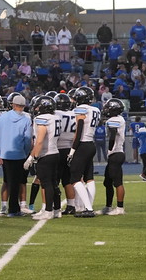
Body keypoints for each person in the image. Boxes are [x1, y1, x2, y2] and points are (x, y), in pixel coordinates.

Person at [0, 93, 33, 217]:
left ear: (13, 105)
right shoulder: (26, 120)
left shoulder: (3, 117)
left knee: (7, 181)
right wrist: (26, 152)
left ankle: (5, 207)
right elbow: (27, 139)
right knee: (17, 182)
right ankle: (13, 209)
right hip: (19, 154)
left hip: (5, 154)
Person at [24, 95, 61, 220]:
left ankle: (48, 210)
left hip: (46, 154)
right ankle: (56, 209)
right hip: (55, 152)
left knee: (46, 183)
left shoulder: (42, 118)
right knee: (53, 183)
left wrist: (32, 157)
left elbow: (39, 141)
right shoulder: (55, 117)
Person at [67, 85, 101, 217]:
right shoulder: (96, 109)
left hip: (82, 144)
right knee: (89, 178)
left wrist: (72, 151)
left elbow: (79, 129)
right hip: (91, 144)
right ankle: (89, 206)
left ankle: (88, 208)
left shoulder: (80, 109)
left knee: (75, 178)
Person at [99, 99, 127, 215]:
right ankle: (108, 206)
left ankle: (120, 208)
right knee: (107, 182)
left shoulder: (114, 120)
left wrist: (110, 149)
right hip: (117, 153)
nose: (106, 110)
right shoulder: (119, 119)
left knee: (117, 182)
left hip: (116, 153)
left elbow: (113, 134)